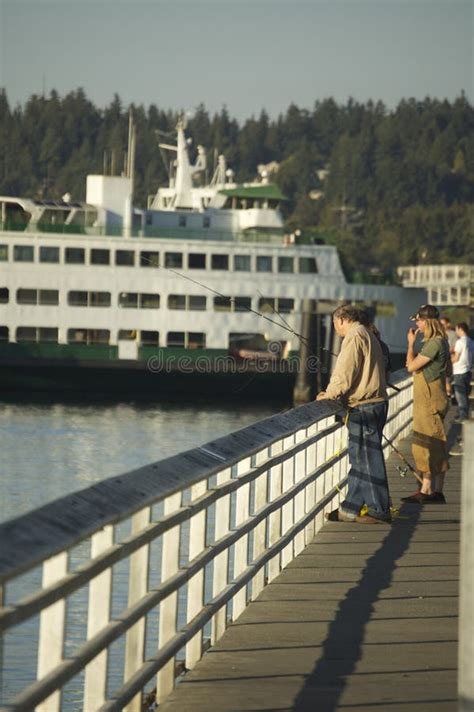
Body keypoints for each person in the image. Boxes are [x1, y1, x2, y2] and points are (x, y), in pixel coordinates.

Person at [316, 304, 391, 524]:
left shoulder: (354, 336)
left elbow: (345, 372)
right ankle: (350, 508)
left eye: (334, 323)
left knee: (368, 459)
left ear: (341, 320)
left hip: (365, 406)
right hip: (375, 403)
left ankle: (379, 509)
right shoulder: (367, 333)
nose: (335, 328)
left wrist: (329, 395)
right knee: (360, 458)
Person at [403, 304, 449, 504]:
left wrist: (411, 344)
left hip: (429, 400)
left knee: (427, 444)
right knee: (434, 443)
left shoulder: (433, 344)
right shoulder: (440, 341)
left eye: (419, 320)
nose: (416, 324)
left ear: (427, 321)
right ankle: (434, 490)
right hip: (432, 397)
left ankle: (428, 489)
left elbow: (411, 367)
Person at [451, 322, 473, 422]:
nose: (456, 332)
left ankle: (462, 416)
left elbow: (456, 358)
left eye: (456, 329)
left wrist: (446, 360)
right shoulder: (471, 342)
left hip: (459, 371)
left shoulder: (460, 342)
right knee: (465, 394)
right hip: (468, 371)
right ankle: (464, 414)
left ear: (460, 329)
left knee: (460, 395)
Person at [440, 316, 457, 399]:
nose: (441, 326)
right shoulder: (439, 334)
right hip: (440, 361)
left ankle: (448, 395)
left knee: (447, 379)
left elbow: (455, 347)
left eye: (443, 324)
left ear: (448, 324)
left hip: (449, 360)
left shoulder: (453, 334)